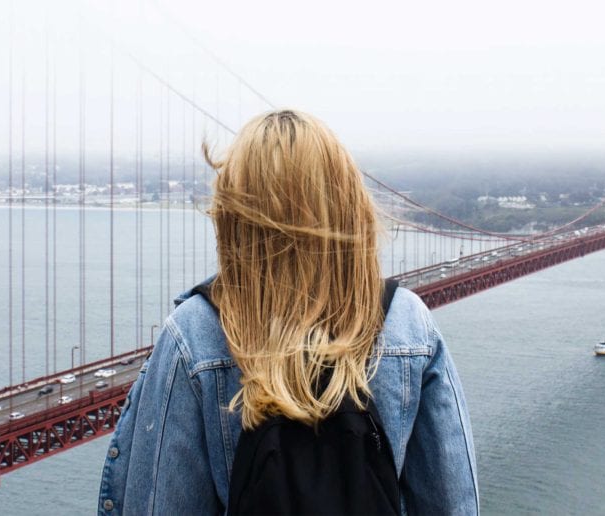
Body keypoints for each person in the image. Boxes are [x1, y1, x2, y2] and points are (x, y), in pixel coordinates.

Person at [98, 110, 478, 515]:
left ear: (233, 217)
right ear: (350, 207)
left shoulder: (193, 335)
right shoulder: (408, 323)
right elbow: (453, 504)